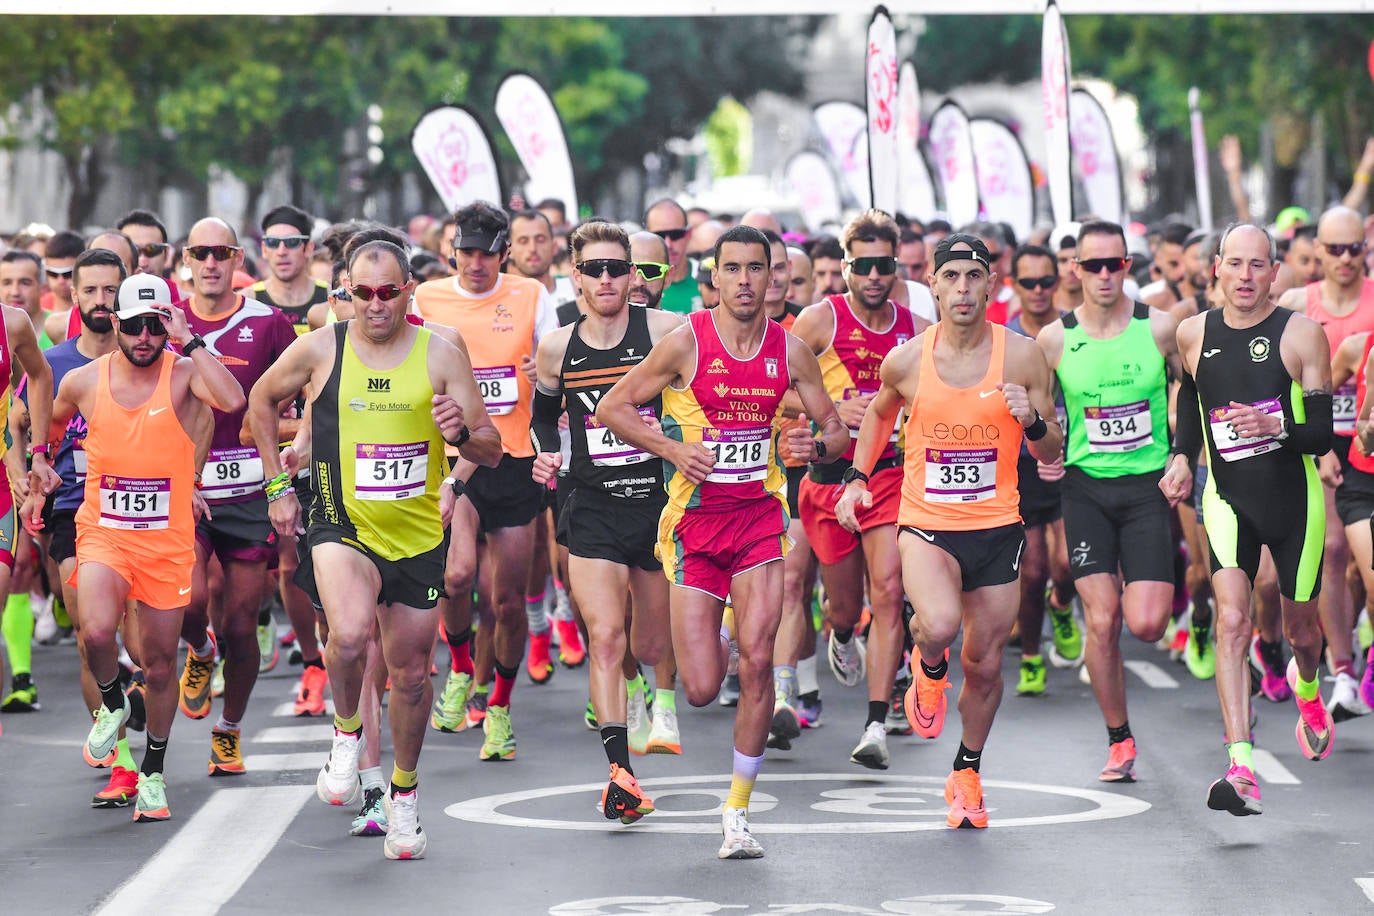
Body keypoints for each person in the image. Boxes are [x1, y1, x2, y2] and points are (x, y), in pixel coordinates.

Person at [597, 225, 848, 859]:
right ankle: (729, 628)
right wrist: (672, 448)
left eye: (754, 269)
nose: (743, 281)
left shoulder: (790, 352)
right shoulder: (686, 343)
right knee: (704, 686)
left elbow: (836, 433)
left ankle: (737, 812)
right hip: (694, 529)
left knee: (761, 658)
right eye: (731, 269)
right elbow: (613, 409)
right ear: (714, 278)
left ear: (772, 278)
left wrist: (810, 448)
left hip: (760, 518)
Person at [249, 237, 500, 858]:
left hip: (416, 536)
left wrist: (461, 433)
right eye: (363, 293)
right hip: (341, 522)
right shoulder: (320, 348)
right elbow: (258, 399)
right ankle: (346, 733)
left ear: (408, 288)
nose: (376, 304)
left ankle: (406, 798)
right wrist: (279, 484)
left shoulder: (441, 355)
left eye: (388, 292)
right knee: (352, 633)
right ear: (346, 294)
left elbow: (493, 448)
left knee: (412, 679)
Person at [836, 233, 1061, 828]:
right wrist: (858, 478)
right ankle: (929, 664)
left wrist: (1032, 419)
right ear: (932, 284)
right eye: (951, 276)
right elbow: (881, 413)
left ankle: (966, 771)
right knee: (937, 622)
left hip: (997, 528)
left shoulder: (1023, 356)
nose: (963, 288)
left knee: (986, 664)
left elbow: (1052, 449)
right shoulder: (907, 359)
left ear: (991, 285)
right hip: (927, 525)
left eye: (974, 276)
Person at [32, 273, 243, 821]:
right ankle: (110, 704)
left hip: (166, 541)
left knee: (158, 664)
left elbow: (233, 399)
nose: (145, 336)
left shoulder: (185, 370)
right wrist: (35, 463)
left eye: (155, 325)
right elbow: (41, 420)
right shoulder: (83, 380)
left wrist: (189, 337)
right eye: (135, 326)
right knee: (96, 631)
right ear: (115, 324)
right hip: (103, 529)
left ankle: (152, 771)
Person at [1160, 223, 1334, 816]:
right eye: (1235, 264)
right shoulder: (1192, 333)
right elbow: (1191, 399)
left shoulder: (1303, 335)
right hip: (1226, 496)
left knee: (1302, 632)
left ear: (1275, 274)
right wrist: (1182, 456)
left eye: (1258, 265)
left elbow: (1320, 432)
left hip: (1294, 504)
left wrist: (1276, 427)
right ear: (1216, 268)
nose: (1245, 277)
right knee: (1232, 620)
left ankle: (1308, 687)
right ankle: (1240, 765)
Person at [529, 220, 684, 823]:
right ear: (576, 276)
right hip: (591, 506)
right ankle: (620, 772)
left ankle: (653, 695)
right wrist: (546, 450)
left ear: (632, 274)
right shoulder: (557, 346)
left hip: (656, 505)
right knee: (606, 637)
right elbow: (543, 415)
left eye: (616, 268)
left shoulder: (666, 333)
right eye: (593, 269)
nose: (606, 279)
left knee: (649, 643)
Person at [1035, 220, 1182, 782]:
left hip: (1147, 488)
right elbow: (1041, 417)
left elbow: (1191, 391)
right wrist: (1044, 446)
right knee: (1103, 620)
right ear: (1074, 268)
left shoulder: (1162, 329)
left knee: (1145, 624)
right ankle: (1119, 740)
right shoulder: (1055, 338)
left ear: (1127, 266)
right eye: (1091, 265)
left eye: (1113, 264)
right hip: (1085, 489)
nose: (1102, 274)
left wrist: (1181, 456)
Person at [414, 201, 557, 760]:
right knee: (457, 573)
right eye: (467, 253)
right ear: (453, 252)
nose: (477, 264)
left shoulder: (530, 296)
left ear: (504, 253)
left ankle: (498, 706)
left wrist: (541, 372)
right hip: (455, 458)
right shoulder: (426, 299)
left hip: (515, 459)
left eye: (488, 254)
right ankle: (460, 667)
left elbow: (561, 364)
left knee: (507, 601)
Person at [790, 210, 925, 769]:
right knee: (844, 605)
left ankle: (876, 723)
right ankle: (843, 633)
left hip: (888, 477)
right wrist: (830, 411)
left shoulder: (915, 327)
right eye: (862, 265)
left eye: (884, 265)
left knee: (889, 591)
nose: (874, 275)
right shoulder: (818, 322)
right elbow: (773, 390)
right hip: (825, 483)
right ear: (843, 267)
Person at [174, 218, 298, 777]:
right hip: (187, 488)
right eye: (200, 253)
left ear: (237, 258)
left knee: (243, 624)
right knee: (189, 600)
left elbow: (300, 403)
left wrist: (287, 459)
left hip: (250, 492)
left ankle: (228, 731)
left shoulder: (267, 322)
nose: (211, 263)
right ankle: (199, 651)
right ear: (186, 258)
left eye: (221, 253)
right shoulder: (165, 320)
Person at [1278, 205, 1374, 719]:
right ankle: (1342, 671)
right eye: (1334, 249)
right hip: (1318, 442)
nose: (1344, 258)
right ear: (1318, 250)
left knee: (1362, 569)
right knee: (1334, 550)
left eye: (1354, 248)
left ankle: (1356, 650)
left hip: (1366, 442)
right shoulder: (1297, 303)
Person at [1005, 245, 1080, 694]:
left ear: (1058, 281)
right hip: (1020, 468)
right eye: (1027, 282)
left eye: (1045, 281)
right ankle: (1032, 656)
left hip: (1069, 456)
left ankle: (1064, 605)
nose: (1037, 290)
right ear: (1014, 285)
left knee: (1068, 565)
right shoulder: (1005, 337)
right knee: (1031, 572)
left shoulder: (1072, 329)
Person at [248, 205, 329, 332]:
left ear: (308, 248)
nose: (281, 252)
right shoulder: (247, 301)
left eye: (292, 242)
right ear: (264, 249)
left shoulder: (330, 297)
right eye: (272, 242)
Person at [645, 199, 698, 315]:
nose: (668, 244)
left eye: (676, 234)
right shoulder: (636, 282)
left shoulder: (710, 277)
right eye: (660, 235)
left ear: (688, 234)